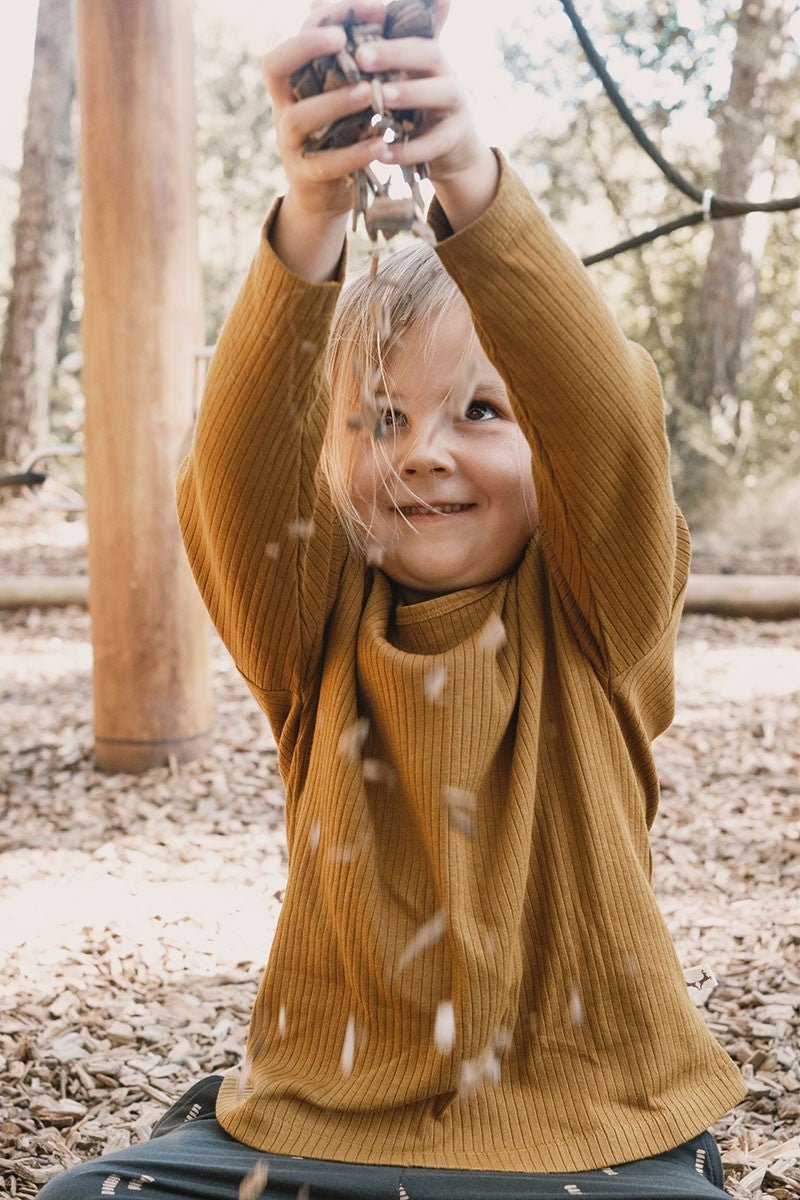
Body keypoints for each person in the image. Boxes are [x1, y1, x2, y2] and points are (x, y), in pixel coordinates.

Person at [39, 2, 748, 1197]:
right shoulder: (311, 635)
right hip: (322, 1118)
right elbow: (236, 478)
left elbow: (607, 417)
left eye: (479, 410)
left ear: (547, 453)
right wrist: (312, 217)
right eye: (378, 418)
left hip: (593, 1125)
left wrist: (464, 176)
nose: (420, 452)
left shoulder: (597, 616)